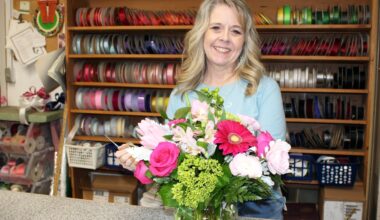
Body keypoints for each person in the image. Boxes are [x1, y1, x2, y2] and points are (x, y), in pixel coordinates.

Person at [116, 0, 287, 219]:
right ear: (202, 33)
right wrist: (142, 157)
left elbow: (270, 162)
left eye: (235, 31)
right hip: (196, 210)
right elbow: (170, 156)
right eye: (216, 27)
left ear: (245, 40)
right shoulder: (183, 92)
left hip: (254, 210)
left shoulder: (264, 89)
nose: (224, 37)